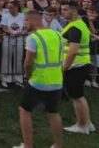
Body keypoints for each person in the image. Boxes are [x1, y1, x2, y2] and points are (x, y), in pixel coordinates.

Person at [14, 10, 64, 148]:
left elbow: (28, 62)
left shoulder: (33, 38)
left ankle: (28, 145)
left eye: (25, 21)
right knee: (53, 112)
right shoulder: (57, 34)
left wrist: (28, 75)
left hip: (38, 81)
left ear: (31, 20)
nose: (24, 24)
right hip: (57, 81)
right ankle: (59, 145)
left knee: (24, 110)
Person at [60, 1, 96, 134]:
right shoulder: (79, 24)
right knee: (78, 95)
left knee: (77, 96)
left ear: (74, 11)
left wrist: (64, 67)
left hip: (76, 65)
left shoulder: (75, 27)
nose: (62, 12)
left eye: (65, 9)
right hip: (79, 64)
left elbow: (73, 51)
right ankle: (87, 123)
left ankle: (82, 125)